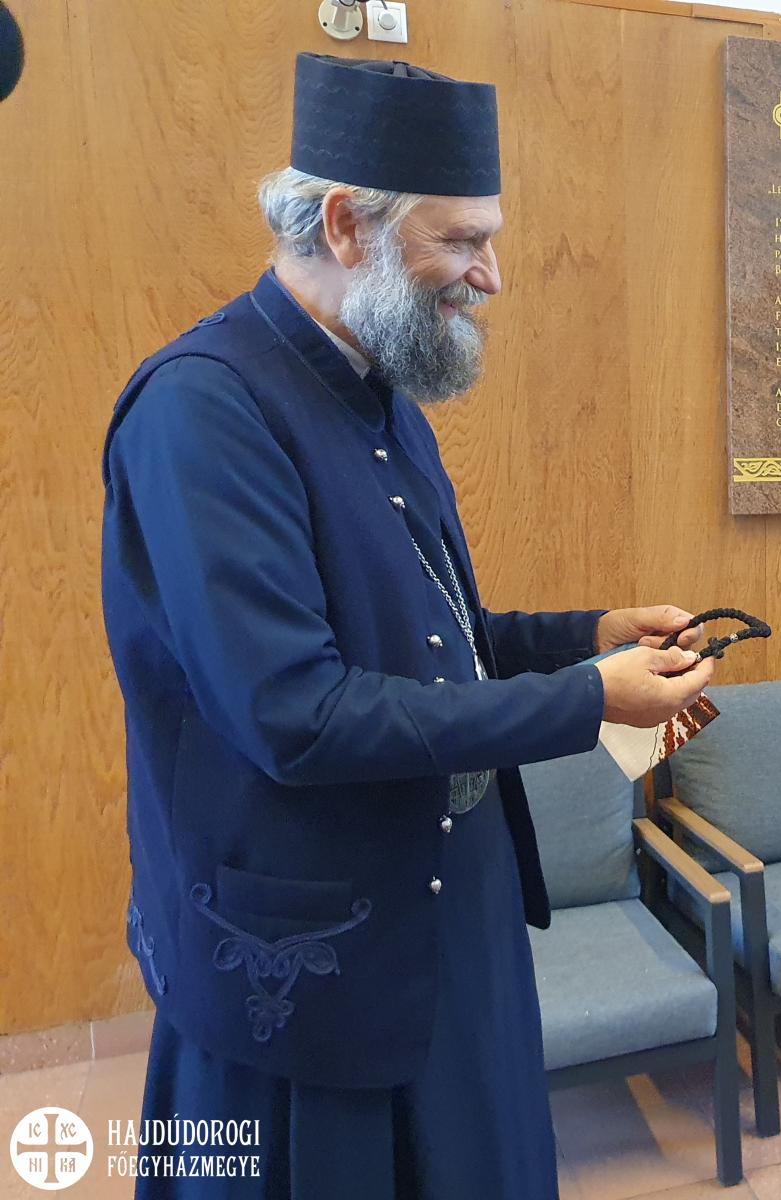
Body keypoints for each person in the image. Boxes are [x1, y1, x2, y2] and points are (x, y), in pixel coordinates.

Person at [100, 53, 714, 1199]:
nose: (493, 275)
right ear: (346, 226)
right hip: (310, 967)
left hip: (446, 923)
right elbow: (296, 712)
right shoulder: (202, 410)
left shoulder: (381, 389)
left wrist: (587, 635)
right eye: (463, 240)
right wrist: (591, 700)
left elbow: (432, 641)